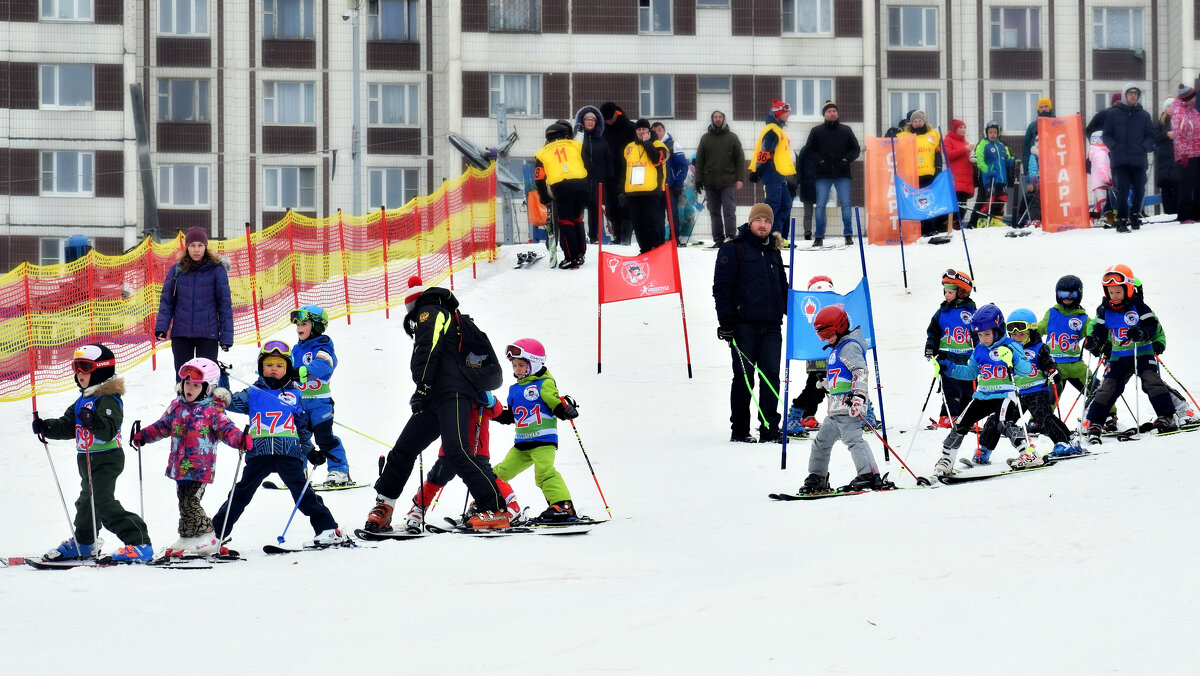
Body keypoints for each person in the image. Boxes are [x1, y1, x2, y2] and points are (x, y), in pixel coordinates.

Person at [365, 277, 510, 532]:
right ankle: (384, 505)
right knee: (404, 449)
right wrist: (424, 389)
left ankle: (495, 509)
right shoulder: (440, 313)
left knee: (458, 452)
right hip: (436, 393)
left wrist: (422, 386)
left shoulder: (431, 310)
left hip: (453, 393)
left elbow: (428, 348)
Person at [211, 342, 351, 547]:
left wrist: (310, 452)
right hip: (258, 454)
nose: (273, 369)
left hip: (289, 455)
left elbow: (301, 429)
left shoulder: (295, 395)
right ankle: (217, 533)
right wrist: (223, 377)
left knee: (304, 494)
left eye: (279, 365)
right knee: (240, 494)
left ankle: (327, 529)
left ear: (287, 369)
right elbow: (228, 401)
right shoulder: (253, 393)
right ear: (261, 368)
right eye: (269, 365)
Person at [33, 344, 155, 563]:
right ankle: (85, 541)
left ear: (100, 369)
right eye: (76, 367)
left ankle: (139, 542)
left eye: (85, 367)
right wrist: (47, 427)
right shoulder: (83, 399)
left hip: (107, 459)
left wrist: (95, 421)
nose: (79, 373)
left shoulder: (108, 399)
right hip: (87, 459)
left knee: (101, 501)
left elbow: (109, 430)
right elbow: (68, 425)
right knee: (86, 502)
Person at [131, 358, 249, 557]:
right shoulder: (177, 406)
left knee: (191, 502)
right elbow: (162, 426)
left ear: (208, 388)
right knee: (183, 503)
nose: (189, 388)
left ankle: (209, 535)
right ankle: (187, 536)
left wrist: (240, 439)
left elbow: (227, 429)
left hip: (200, 467)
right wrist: (144, 436)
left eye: (195, 385)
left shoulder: (212, 409)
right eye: (187, 384)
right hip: (179, 466)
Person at [932, 305, 1040, 476]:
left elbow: (1026, 370)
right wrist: (949, 368)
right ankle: (947, 460)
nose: (983, 339)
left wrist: (1013, 358)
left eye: (987, 334)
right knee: (960, 423)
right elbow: (970, 373)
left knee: (1003, 423)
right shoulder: (979, 350)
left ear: (997, 330)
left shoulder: (1012, 345)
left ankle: (1029, 454)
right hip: (983, 395)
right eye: (979, 335)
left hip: (1005, 394)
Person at [795, 306, 892, 494]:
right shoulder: (837, 348)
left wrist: (858, 397)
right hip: (835, 410)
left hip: (849, 408)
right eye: (820, 335)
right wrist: (826, 384)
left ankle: (869, 474)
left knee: (854, 441)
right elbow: (843, 378)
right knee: (820, 443)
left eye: (828, 333)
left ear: (840, 327)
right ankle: (817, 477)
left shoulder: (850, 347)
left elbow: (860, 372)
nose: (825, 339)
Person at [713, 203, 788, 443]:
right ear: (751, 222)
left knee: (771, 377)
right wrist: (725, 321)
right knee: (745, 378)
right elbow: (721, 287)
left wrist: (793, 314)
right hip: (743, 325)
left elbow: (782, 288)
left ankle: (769, 428)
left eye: (767, 221)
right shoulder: (733, 249)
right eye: (759, 220)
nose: (763, 225)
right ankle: (740, 430)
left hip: (771, 326)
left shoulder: (774, 252)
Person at [1081, 266, 1178, 443]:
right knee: (1108, 387)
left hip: (1141, 352)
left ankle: (1166, 416)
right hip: (1118, 357)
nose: (1114, 296)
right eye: (1111, 292)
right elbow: (1100, 330)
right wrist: (1094, 340)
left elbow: (1151, 325)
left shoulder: (1139, 307)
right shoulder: (1104, 310)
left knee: (1151, 381)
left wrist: (1143, 333)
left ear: (1129, 289)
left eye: (1118, 291)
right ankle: (1095, 422)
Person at [492, 339, 582, 523]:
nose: (517, 369)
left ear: (534, 363)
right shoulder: (514, 389)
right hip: (522, 445)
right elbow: (511, 416)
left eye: (521, 365)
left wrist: (565, 410)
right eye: (514, 365)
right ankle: (492, 504)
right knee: (497, 473)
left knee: (544, 473)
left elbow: (556, 404)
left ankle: (563, 506)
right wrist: (492, 411)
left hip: (543, 442)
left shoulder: (544, 383)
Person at [404, 391, 521, 531]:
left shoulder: (481, 390)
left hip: (477, 451)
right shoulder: (452, 390)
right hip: (451, 450)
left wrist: (491, 401)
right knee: (436, 478)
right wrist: (424, 400)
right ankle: (418, 509)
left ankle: (512, 505)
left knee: (488, 479)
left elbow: (497, 411)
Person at [155, 227, 234, 378]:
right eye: (192, 245)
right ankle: (181, 402)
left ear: (206, 247)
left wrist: (226, 337)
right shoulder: (177, 270)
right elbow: (167, 302)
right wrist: (162, 327)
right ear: (187, 247)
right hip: (181, 334)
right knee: (183, 377)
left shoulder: (217, 271)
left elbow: (224, 306)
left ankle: (207, 403)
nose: (196, 250)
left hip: (208, 335)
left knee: (206, 378)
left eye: (200, 245)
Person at [1003, 309, 1081, 457]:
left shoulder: (1039, 347)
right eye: (1014, 335)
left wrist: (1052, 371)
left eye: (1021, 334)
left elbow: (1049, 364)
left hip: (1037, 390)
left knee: (1043, 417)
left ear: (1031, 331)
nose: (1017, 338)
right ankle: (985, 449)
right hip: (1019, 393)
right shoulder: (1009, 350)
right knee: (1007, 419)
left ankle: (1061, 442)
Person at [290, 305, 352, 486]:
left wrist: (300, 372)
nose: (299, 327)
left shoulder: (324, 348)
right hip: (299, 404)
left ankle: (339, 471)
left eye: (304, 323)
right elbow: (285, 368)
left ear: (316, 325)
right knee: (297, 437)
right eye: (298, 324)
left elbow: (322, 367)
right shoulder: (296, 349)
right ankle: (298, 471)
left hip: (319, 404)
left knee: (325, 438)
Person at [802, 100, 860, 246]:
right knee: (821, 205)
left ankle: (848, 235)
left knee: (846, 204)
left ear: (837, 113)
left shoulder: (846, 130)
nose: (832, 113)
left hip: (842, 174)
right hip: (822, 174)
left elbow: (856, 149)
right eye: (829, 111)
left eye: (834, 111)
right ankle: (819, 237)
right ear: (824, 115)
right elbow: (809, 150)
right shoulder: (816, 131)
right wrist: (819, 161)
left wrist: (847, 158)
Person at [923, 270, 977, 428]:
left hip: (967, 357)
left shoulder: (971, 312)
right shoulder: (942, 313)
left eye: (950, 292)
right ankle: (947, 416)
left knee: (968, 388)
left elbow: (977, 334)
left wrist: (981, 351)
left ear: (961, 292)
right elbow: (933, 332)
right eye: (945, 292)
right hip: (947, 356)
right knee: (950, 387)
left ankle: (966, 416)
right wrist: (930, 348)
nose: (946, 295)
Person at [535, 120, 590, 268]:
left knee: (566, 222)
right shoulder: (576, 145)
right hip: (582, 184)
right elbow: (587, 163)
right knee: (577, 219)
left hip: (562, 186)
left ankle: (571, 258)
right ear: (566, 135)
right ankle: (580, 254)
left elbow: (539, 178)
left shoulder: (542, 153)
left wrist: (544, 196)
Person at [1102, 82, 1155, 232]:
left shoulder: (1144, 115)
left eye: (1135, 93)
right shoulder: (1113, 113)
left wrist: (1144, 147)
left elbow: (1151, 136)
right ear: (1125, 95)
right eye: (1130, 93)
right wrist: (1115, 147)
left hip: (1138, 159)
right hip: (1120, 160)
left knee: (1140, 190)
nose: (1133, 95)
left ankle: (1134, 214)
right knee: (1122, 190)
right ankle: (1121, 220)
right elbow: (1106, 135)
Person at [786, 275, 835, 437]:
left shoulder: (834, 307)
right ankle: (797, 414)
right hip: (816, 355)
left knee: (824, 388)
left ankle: (807, 414)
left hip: (831, 354)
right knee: (815, 385)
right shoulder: (812, 309)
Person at [694, 110, 745, 247]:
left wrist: (740, 178)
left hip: (728, 181)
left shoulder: (732, 137)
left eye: (720, 117)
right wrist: (698, 180)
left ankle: (730, 237)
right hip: (710, 182)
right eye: (715, 117)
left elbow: (740, 159)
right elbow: (700, 160)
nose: (717, 119)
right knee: (714, 212)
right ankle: (718, 240)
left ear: (724, 119)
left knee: (729, 210)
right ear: (712, 119)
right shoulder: (705, 138)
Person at [748, 99, 797, 239]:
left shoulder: (777, 129)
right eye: (786, 112)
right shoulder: (772, 131)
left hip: (779, 174)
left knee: (785, 204)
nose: (788, 115)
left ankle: (776, 235)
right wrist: (757, 171)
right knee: (773, 205)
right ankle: (761, 235)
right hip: (771, 173)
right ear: (778, 113)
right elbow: (765, 152)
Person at [622, 118, 669, 253]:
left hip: (651, 190)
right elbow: (624, 170)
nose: (641, 132)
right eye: (639, 129)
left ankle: (655, 248)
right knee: (638, 223)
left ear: (649, 130)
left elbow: (657, 160)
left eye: (644, 129)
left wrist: (647, 143)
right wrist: (622, 189)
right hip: (633, 190)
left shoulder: (658, 144)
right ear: (635, 131)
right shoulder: (629, 147)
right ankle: (644, 248)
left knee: (652, 222)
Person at [896, 110, 944, 235]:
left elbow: (937, 153)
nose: (917, 123)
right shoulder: (905, 136)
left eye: (920, 121)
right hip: (913, 174)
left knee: (929, 201)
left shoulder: (933, 135)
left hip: (929, 173)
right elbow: (890, 144)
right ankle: (920, 229)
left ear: (924, 121)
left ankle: (931, 228)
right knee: (917, 202)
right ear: (911, 123)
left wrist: (938, 168)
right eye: (915, 121)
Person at [599, 102, 637, 245]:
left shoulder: (630, 127)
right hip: (609, 173)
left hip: (627, 172)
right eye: (605, 119)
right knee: (612, 206)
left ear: (616, 113)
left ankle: (626, 238)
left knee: (626, 206)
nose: (608, 122)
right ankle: (617, 236)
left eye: (610, 118)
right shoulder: (603, 129)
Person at [575, 106, 613, 245]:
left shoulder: (601, 140)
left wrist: (608, 177)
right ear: (582, 121)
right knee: (578, 210)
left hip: (598, 180)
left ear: (597, 122)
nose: (590, 122)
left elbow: (608, 159)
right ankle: (579, 237)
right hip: (581, 180)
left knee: (595, 209)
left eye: (593, 119)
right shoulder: (577, 140)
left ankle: (594, 237)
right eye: (587, 119)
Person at [968, 121, 1014, 228]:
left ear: (998, 133)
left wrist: (1013, 160)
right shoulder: (983, 143)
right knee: (990, 199)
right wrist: (987, 171)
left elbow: (1006, 159)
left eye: (994, 132)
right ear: (986, 133)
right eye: (990, 132)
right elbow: (979, 160)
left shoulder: (1001, 145)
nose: (993, 134)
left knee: (1001, 198)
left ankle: (996, 219)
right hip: (990, 178)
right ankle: (982, 219)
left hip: (1001, 178)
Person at [652, 121, 690, 241]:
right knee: (658, 215)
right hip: (656, 187)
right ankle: (659, 240)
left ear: (664, 131)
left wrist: (678, 183)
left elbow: (683, 166)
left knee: (672, 214)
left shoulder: (673, 145)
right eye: (654, 131)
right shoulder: (650, 145)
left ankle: (674, 238)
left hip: (671, 186)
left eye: (659, 130)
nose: (657, 133)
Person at [1171, 85, 1200, 223]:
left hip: (1198, 151)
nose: (1195, 99)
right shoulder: (1179, 112)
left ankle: (1197, 213)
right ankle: (1184, 215)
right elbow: (1179, 135)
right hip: (1187, 154)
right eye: (1193, 97)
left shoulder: (1194, 112)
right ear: (1188, 98)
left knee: (1198, 184)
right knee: (1187, 185)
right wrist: (1183, 153)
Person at [943, 119, 976, 228]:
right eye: (960, 127)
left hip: (966, 179)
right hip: (956, 178)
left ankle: (956, 227)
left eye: (964, 127)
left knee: (963, 208)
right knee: (957, 206)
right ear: (955, 129)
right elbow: (948, 155)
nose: (963, 130)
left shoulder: (966, 143)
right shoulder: (948, 140)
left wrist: (973, 158)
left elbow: (967, 159)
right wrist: (964, 149)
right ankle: (951, 227)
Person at [1154, 97, 1181, 217]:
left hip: (1177, 157)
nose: (1171, 109)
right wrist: (1166, 135)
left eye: (1173, 106)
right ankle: (1168, 212)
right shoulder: (1160, 122)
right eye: (1168, 106)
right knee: (1165, 186)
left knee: (1178, 185)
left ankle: (1179, 211)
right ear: (1165, 108)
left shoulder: (1181, 120)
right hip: (1163, 159)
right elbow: (1154, 137)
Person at [1023, 97, 1055, 170]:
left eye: (1046, 106)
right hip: (1036, 166)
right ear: (1038, 110)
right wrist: (1026, 168)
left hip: (1053, 165)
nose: (1043, 109)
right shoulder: (1032, 126)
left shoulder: (1057, 124)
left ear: (1050, 108)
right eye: (1041, 107)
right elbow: (1026, 147)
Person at [1016, 136, 1042, 227]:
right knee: (1035, 199)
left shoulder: (1049, 155)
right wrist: (1034, 182)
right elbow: (1032, 170)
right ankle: (1032, 219)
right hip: (1036, 184)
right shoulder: (1034, 156)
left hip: (1047, 185)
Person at [794, 143, 818, 240]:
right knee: (821, 210)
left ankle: (807, 232)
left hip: (806, 185)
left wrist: (798, 182)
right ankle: (820, 233)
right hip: (819, 185)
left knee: (808, 212)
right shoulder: (821, 149)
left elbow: (798, 168)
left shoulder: (804, 151)